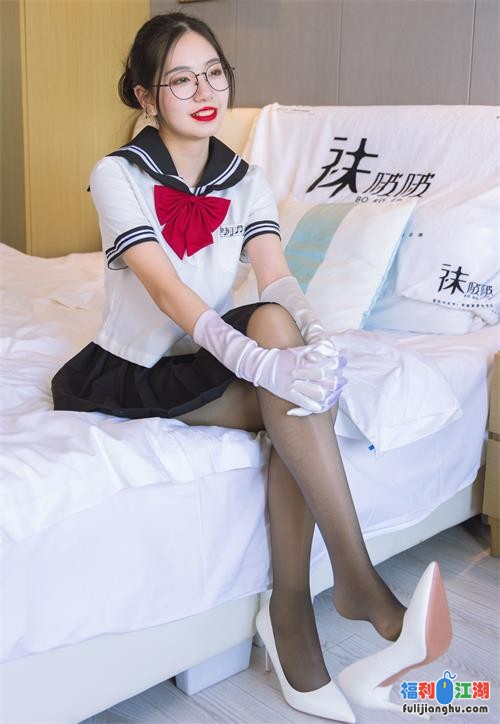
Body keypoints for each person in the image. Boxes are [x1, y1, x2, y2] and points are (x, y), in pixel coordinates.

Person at [51, 12, 452, 721]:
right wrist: (257, 364)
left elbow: (274, 275)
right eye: (181, 79)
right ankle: (337, 593)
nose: (204, 90)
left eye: (214, 73)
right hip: (136, 366)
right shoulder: (116, 174)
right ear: (145, 96)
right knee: (290, 394)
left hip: (208, 354)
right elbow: (166, 291)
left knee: (285, 351)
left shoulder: (247, 179)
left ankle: (309, 601)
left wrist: (314, 337)